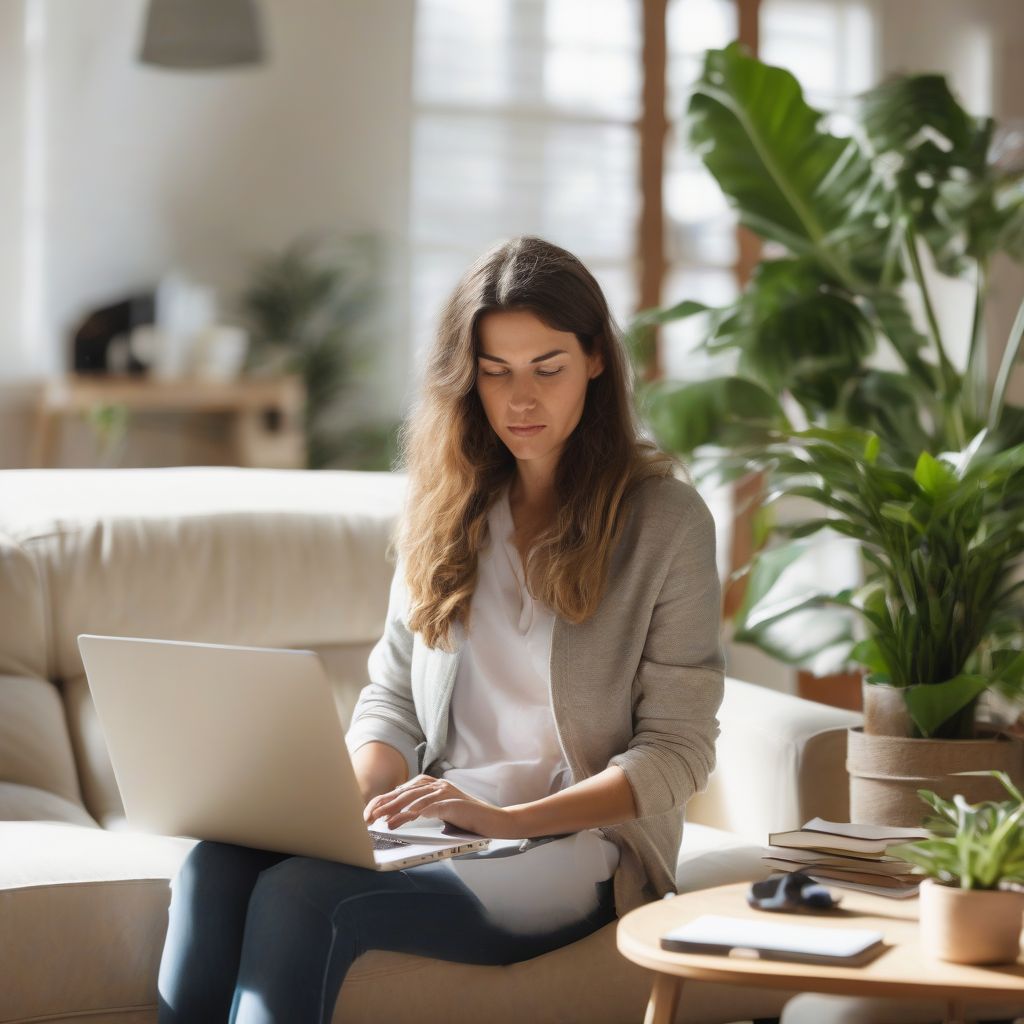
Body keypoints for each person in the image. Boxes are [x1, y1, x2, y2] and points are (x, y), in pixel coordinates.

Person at [157, 235, 725, 1024]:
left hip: (572, 850)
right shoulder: (451, 506)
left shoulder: (666, 522)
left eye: (546, 368)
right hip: (444, 828)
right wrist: (349, 804)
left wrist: (505, 820)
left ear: (596, 360)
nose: (519, 400)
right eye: (495, 373)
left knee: (299, 896)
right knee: (214, 866)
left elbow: (677, 753)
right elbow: (392, 695)